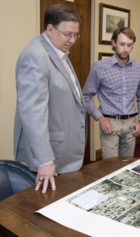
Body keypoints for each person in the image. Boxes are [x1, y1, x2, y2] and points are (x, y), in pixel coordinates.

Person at [14, 4, 87, 193]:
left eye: (75, 35)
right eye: (68, 34)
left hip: (63, 153)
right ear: (50, 29)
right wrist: (45, 160)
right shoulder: (35, 56)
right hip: (49, 157)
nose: (72, 40)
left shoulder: (57, 50)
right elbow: (32, 114)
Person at [83, 27, 140, 159]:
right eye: (122, 44)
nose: (125, 49)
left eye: (129, 45)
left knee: (127, 166)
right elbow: (85, 97)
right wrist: (100, 118)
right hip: (109, 123)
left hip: (131, 124)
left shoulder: (138, 68)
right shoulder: (100, 67)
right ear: (113, 43)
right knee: (110, 167)